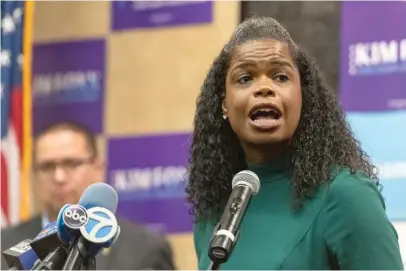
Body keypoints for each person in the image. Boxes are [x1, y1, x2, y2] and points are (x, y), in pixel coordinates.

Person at [186, 16, 404, 270]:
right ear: (224, 103)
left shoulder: (346, 196)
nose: (264, 88)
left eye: (280, 76)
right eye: (245, 78)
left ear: (303, 95)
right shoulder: (213, 214)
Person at [1, 121, 176, 270]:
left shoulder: (144, 248)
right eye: (47, 167)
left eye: (71, 163)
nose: (59, 177)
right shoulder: (4, 242)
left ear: (98, 168)